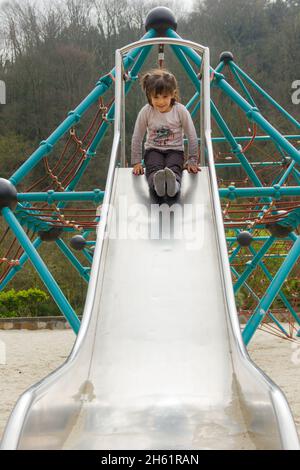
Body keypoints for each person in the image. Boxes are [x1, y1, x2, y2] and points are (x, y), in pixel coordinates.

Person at [131, 69, 200, 197]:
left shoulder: (180, 111)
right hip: (153, 149)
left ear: (173, 94)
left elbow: (192, 135)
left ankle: (174, 185)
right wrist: (136, 162)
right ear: (149, 96)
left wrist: (192, 160)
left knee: (174, 168)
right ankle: (157, 185)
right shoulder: (146, 112)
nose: (160, 101)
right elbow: (137, 136)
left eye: (165, 97)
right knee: (153, 168)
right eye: (155, 97)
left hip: (175, 150)